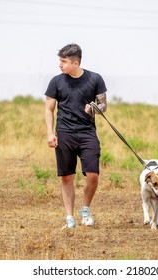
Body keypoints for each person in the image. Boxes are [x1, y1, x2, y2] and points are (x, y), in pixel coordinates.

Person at [44, 43, 107, 229]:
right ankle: (70, 218)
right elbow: (49, 109)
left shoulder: (95, 79)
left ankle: (85, 208)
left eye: (63, 61)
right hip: (64, 133)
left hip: (87, 133)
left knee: (93, 175)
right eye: (60, 61)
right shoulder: (56, 81)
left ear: (75, 62)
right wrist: (50, 133)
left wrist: (95, 108)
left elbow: (104, 105)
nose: (60, 65)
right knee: (67, 177)